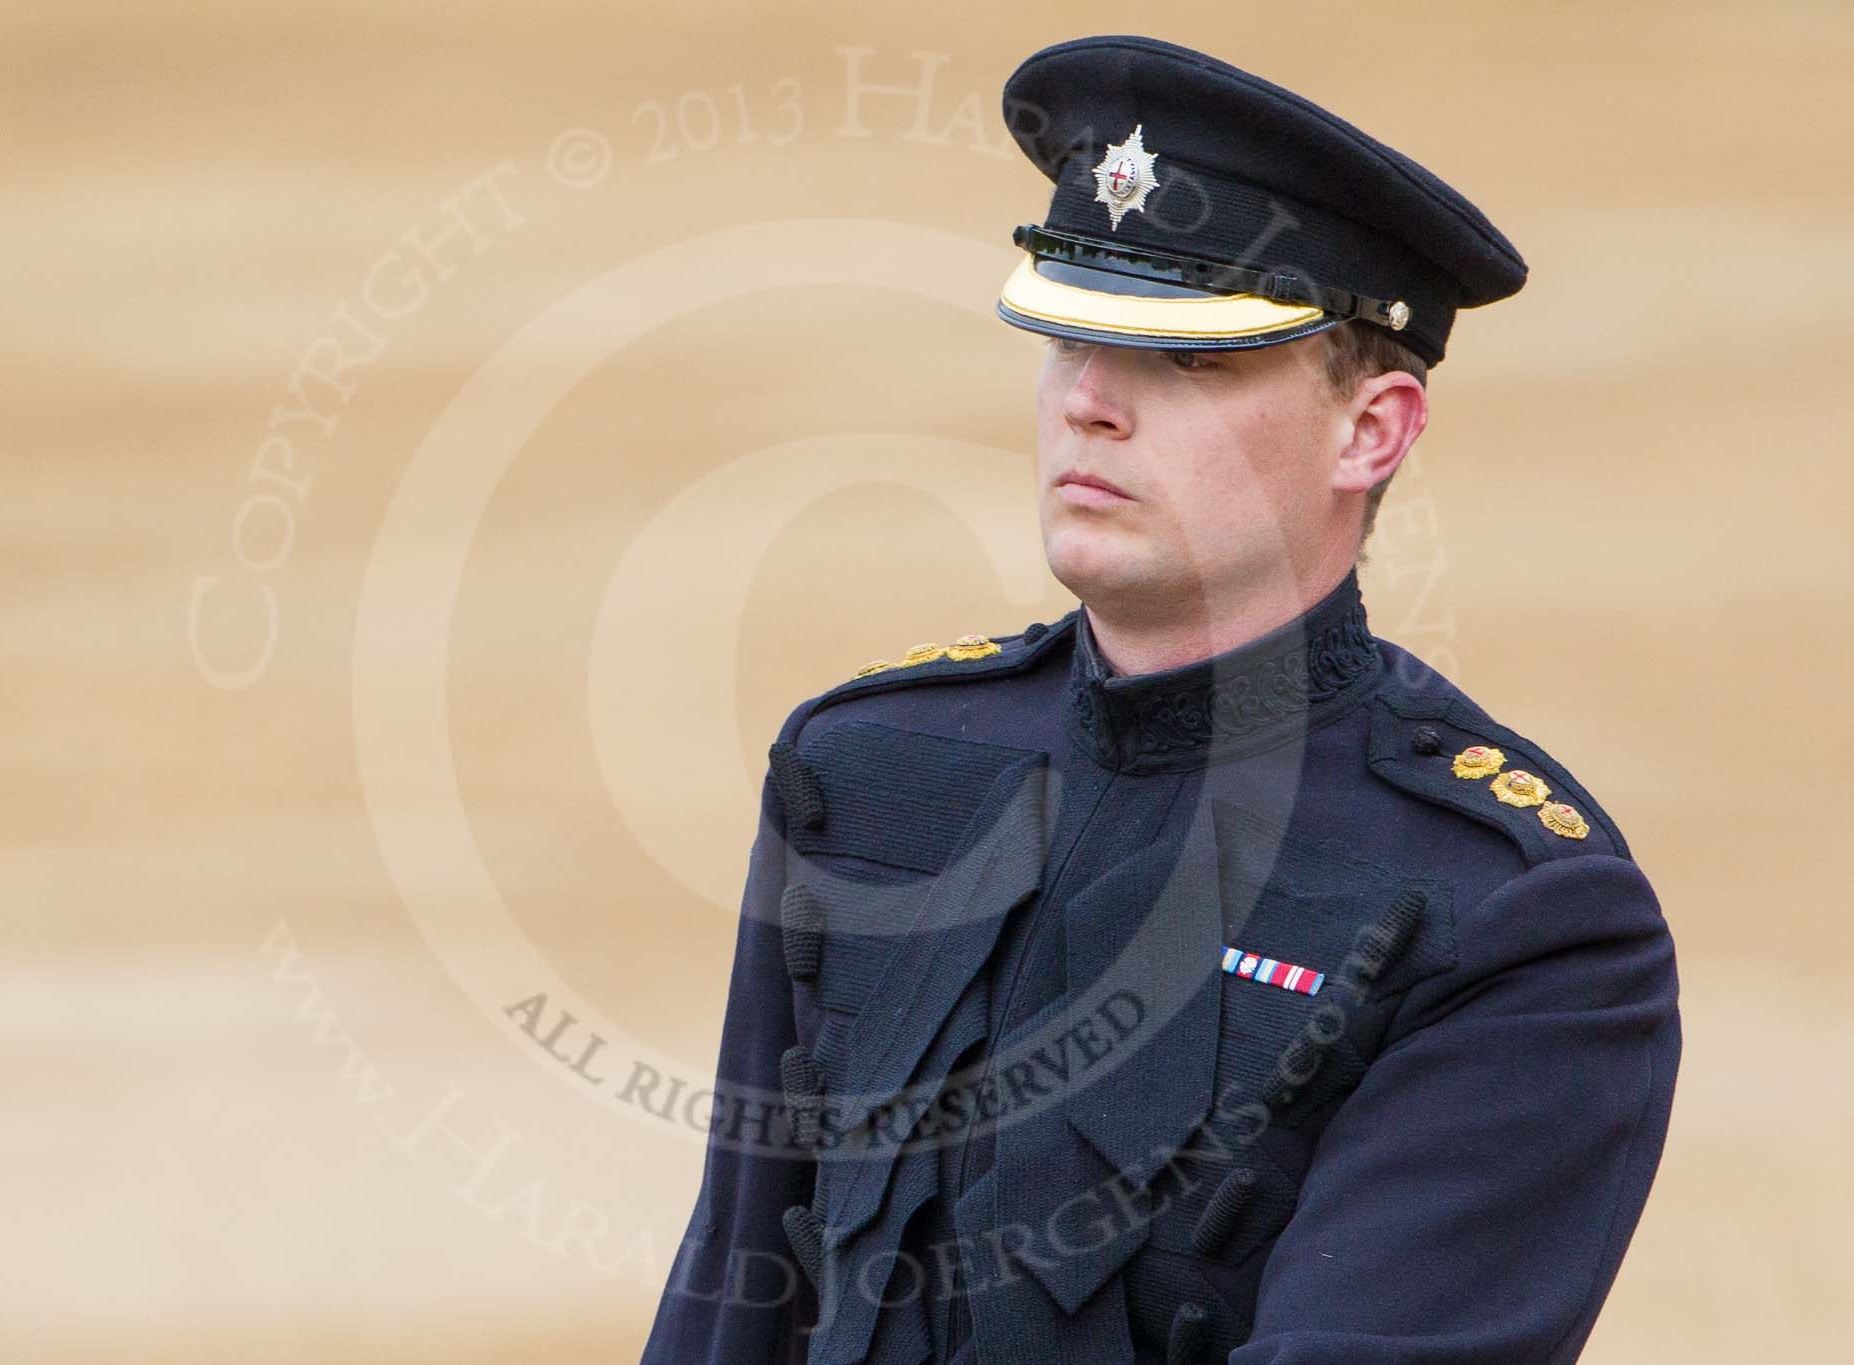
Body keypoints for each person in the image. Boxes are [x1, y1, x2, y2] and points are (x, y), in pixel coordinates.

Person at [639, 33, 1681, 1365]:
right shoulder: (868, 771)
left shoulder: (1515, 914)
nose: (1088, 403)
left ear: (1373, 430)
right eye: (1069, 335)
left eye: (1185, 361)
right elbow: (732, 1314)